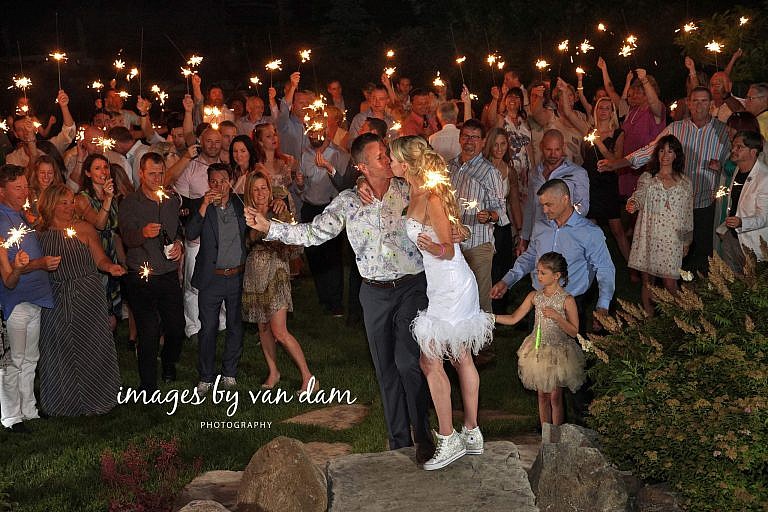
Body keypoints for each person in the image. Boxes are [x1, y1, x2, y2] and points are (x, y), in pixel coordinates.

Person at [245, 133, 435, 464]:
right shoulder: (349, 201)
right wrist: (269, 227)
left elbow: (433, 183)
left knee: (408, 361)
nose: (388, 160)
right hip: (373, 294)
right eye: (380, 157)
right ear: (362, 166)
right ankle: (399, 442)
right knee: (386, 369)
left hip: (411, 287)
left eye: (387, 155)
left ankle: (423, 432)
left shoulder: (408, 190)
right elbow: (313, 233)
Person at [389, 135, 494, 470]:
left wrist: (433, 248)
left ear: (406, 163)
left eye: (392, 158)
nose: (390, 163)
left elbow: (447, 248)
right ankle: (472, 432)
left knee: (429, 361)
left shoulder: (431, 195)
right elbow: (451, 234)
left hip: (450, 282)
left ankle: (449, 440)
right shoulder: (418, 190)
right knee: (460, 355)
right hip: (445, 283)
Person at [492, 179, 614, 422]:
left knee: (575, 369)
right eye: (542, 205)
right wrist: (507, 280)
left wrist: (603, 305)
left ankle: (583, 423)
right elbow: (528, 258)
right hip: (541, 305)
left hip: (572, 303)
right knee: (544, 368)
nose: (544, 210)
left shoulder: (588, 232)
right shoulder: (541, 228)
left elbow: (605, 269)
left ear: (565, 199)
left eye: (549, 205)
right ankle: (548, 427)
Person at [599, 87, 730, 275]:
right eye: (695, 101)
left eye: (704, 101)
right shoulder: (676, 128)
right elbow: (650, 150)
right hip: (674, 205)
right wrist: (616, 164)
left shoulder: (722, 132)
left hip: (704, 202)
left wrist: (722, 167)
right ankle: (671, 295)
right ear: (689, 103)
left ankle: (700, 295)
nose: (699, 105)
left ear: (711, 105)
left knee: (702, 251)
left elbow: (733, 163)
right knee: (674, 253)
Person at [36, 184, 125, 416]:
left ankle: (98, 397)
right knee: (60, 349)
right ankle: (63, 402)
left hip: (88, 296)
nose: (68, 207)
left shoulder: (84, 228)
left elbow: (100, 259)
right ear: (50, 205)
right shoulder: (38, 233)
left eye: (70, 201)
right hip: (57, 298)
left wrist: (111, 267)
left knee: (92, 347)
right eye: (62, 203)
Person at [242, 172, 315, 392]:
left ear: (270, 189)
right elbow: (246, 242)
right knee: (263, 329)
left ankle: (308, 377)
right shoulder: (246, 215)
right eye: (255, 189)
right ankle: (273, 372)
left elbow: (294, 245)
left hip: (276, 275)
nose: (260, 193)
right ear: (250, 193)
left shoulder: (279, 212)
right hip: (254, 276)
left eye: (264, 187)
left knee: (279, 331)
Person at [118, 152, 185, 392]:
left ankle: (168, 363)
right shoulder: (129, 203)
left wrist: (178, 244)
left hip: (167, 273)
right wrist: (142, 233)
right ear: (141, 173)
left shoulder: (170, 200)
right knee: (149, 331)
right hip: (141, 275)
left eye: (160, 173)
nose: (157, 178)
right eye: (152, 173)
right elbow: (126, 236)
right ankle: (148, 386)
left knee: (176, 328)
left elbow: (178, 230)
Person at [496, 252, 584, 426]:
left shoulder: (567, 300)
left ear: (557, 275)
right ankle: (546, 433)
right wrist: (491, 317)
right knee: (542, 395)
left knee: (555, 396)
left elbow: (574, 332)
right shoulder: (535, 296)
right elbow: (514, 318)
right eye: (537, 272)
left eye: (543, 273)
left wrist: (558, 317)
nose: (539, 276)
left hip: (558, 351)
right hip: (538, 350)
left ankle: (557, 435)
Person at [0, 164, 57, 433]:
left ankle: (29, 409)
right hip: (16, 298)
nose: (24, 192)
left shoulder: (22, 216)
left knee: (31, 357)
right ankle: (11, 416)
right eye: (17, 187)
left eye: (25, 186)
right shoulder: (2, 220)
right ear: (2, 190)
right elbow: (11, 269)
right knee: (15, 359)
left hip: (35, 296)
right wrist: (40, 263)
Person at [186, 163, 247, 393]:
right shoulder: (203, 207)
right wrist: (203, 206)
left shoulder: (241, 205)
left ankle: (229, 372)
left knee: (234, 326)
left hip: (237, 277)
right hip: (212, 278)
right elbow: (190, 233)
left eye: (222, 180)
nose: (218, 186)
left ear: (230, 181)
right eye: (213, 181)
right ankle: (206, 376)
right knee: (208, 327)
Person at [626, 135, 693, 316]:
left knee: (670, 282)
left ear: (676, 155)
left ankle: (682, 318)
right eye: (662, 150)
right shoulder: (648, 178)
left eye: (670, 151)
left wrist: (686, 241)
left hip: (672, 239)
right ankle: (650, 321)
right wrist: (633, 203)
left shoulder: (685, 183)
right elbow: (639, 196)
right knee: (648, 281)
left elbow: (687, 214)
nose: (665, 155)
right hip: (650, 235)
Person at [448, 119, 505, 313]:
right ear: (459, 138)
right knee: (455, 296)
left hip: (477, 244)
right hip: (452, 244)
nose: (469, 141)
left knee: (480, 299)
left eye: (475, 137)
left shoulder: (490, 172)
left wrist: (489, 215)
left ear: (482, 142)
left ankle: (484, 342)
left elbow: (502, 212)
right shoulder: (449, 168)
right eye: (466, 136)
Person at [519, 129, 590, 255]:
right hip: (539, 239)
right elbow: (530, 208)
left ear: (563, 147)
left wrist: (564, 216)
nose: (553, 154)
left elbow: (583, 207)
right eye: (548, 149)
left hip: (565, 238)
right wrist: (524, 238)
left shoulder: (577, 173)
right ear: (541, 147)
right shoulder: (535, 173)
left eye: (557, 149)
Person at [74, 154, 121, 331]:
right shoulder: (82, 199)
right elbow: (99, 224)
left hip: (110, 254)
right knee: (97, 308)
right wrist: (107, 200)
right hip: (93, 256)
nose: (103, 171)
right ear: (87, 173)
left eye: (105, 167)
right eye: (97, 168)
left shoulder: (112, 196)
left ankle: (107, 351)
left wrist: (121, 260)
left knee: (111, 313)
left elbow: (113, 232)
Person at [582, 97, 630, 262]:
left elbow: (616, 161)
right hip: (591, 185)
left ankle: (632, 267)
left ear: (612, 112)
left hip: (608, 185)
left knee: (617, 229)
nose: (603, 111)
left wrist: (600, 144)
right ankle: (592, 265)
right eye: (600, 108)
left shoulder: (618, 133)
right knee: (590, 227)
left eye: (607, 108)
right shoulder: (589, 131)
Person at [482, 128, 523, 313]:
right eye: (496, 144)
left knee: (504, 265)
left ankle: (500, 308)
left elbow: (514, 201)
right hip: (483, 226)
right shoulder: (480, 168)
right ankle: (485, 307)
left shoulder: (510, 170)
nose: (499, 148)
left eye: (503, 144)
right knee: (487, 267)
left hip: (503, 226)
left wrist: (520, 231)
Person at [717, 131, 768, 272]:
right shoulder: (738, 170)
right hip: (731, 237)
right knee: (730, 286)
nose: (733, 150)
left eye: (739, 147)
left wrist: (741, 222)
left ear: (753, 152)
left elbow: (764, 217)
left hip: (753, 244)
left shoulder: (764, 178)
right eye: (733, 146)